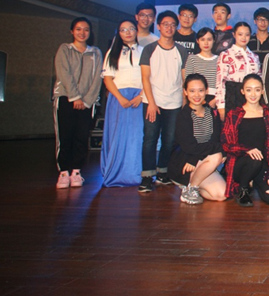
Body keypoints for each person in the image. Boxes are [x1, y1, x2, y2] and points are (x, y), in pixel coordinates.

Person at [138, 11, 189, 192]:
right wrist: (151, 103)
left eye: (173, 25)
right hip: (152, 102)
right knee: (150, 139)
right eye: (165, 24)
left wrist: (184, 101)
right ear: (158, 26)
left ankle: (162, 172)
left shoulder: (181, 50)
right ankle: (146, 176)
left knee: (169, 140)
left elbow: (184, 79)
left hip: (174, 102)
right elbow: (145, 78)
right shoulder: (149, 49)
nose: (169, 28)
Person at [53, 17, 104, 188]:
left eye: (86, 29)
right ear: (72, 31)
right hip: (66, 98)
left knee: (82, 137)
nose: (82, 33)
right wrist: (75, 97)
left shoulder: (96, 52)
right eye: (78, 29)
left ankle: (76, 171)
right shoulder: (65, 49)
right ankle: (63, 172)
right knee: (65, 136)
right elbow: (64, 73)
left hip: (88, 102)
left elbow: (97, 78)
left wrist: (87, 100)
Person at [221, 74, 269, 206]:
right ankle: (243, 189)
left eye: (257, 90)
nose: (253, 94)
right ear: (242, 91)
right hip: (239, 165)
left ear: (262, 91)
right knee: (254, 160)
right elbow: (226, 144)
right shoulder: (234, 114)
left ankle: (253, 183)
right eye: (249, 90)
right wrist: (247, 150)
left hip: (262, 165)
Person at [167, 74, 226, 204]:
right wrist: (195, 159)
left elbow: (215, 140)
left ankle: (193, 185)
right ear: (185, 92)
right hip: (186, 162)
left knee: (221, 195)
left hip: (202, 161)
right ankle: (191, 188)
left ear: (206, 91)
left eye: (200, 90)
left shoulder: (212, 113)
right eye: (192, 91)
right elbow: (189, 147)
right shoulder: (183, 116)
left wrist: (199, 157)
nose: (197, 95)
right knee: (216, 156)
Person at [100, 19, 143, 187]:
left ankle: (135, 174)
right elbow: (107, 79)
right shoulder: (113, 52)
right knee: (117, 136)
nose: (128, 32)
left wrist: (141, 96)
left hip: (139, 98)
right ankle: (115, 173)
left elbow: (150, 78)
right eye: (123, 30)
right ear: (118, 33)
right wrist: (120, 97)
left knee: (136, 137)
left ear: (136, 30)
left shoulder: (144, 51)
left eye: (131, 28)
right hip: (118, 98)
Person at [215, 21, 260, 121]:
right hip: (232, 96)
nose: (243, 38)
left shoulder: (254, 57)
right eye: (240, 34)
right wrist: (221, 105)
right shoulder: (226, 55)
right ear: (234, 35)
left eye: (247, 35)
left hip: (252, 97)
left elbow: (259, 80)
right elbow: (220, 81)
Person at [184, 28, 219, 107]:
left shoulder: (220, 59)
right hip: (196, 98)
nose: (206, 43)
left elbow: (223, 83)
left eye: (209, 39)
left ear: (214, 40)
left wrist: (216, 100)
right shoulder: (192, 59)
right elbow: (187, 81)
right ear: (197, 41)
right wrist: (200, 100)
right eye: (202, 39)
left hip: (215, 100)